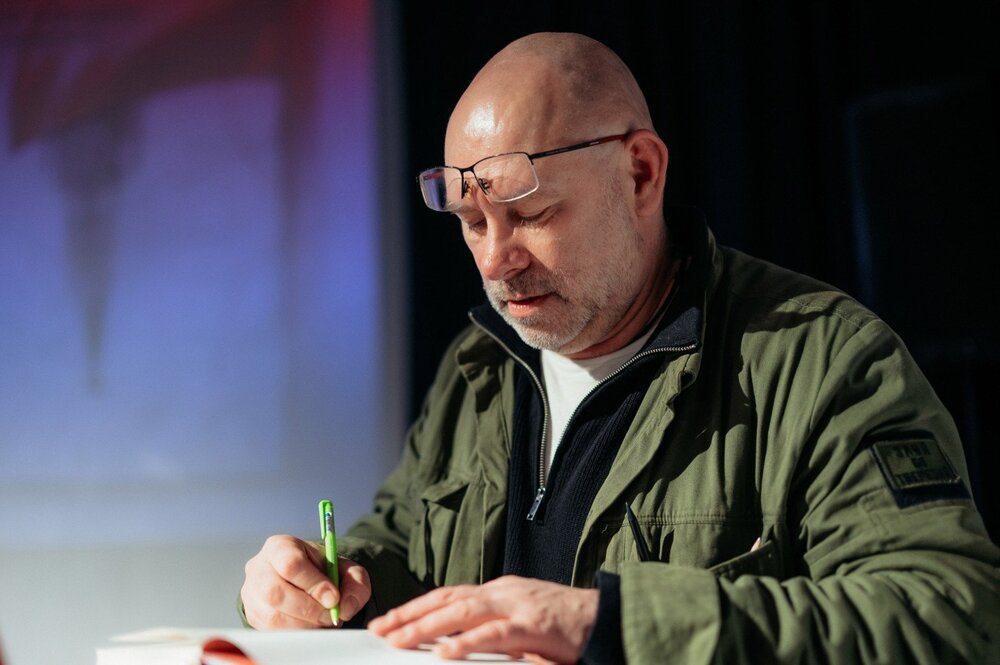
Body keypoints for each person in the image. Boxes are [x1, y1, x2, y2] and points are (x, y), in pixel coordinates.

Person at [240, 32, 999, 664]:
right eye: (473, 223)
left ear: (641, 172)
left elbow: (948, 616)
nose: (496, 260)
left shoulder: (824, 360)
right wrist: (327, 585)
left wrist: (610, 623)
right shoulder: (479, 368)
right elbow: (403, 549)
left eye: (529, 211)